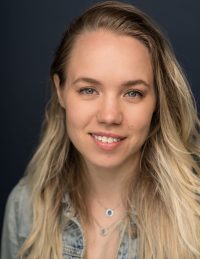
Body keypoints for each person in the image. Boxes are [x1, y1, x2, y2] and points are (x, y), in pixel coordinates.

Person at [1, 1, 200, 258]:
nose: (109, 116)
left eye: (132, 93)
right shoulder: (24, 206)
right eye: (88, 90)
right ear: (60, 91)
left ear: (158, 100)